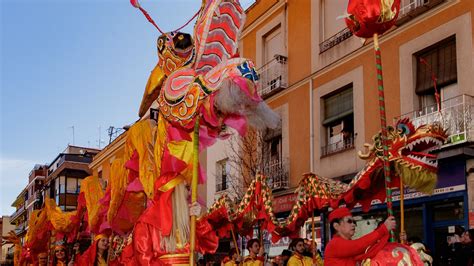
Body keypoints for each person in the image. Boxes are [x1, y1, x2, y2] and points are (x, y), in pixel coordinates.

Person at [323, 207, 396, 266]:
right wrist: (383, 229)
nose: (353, 224)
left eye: (354, 222)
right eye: (349, 221)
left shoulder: (347, 244)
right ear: (336, 226)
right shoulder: (334, 244)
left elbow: (367, 249)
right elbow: (359, 245)